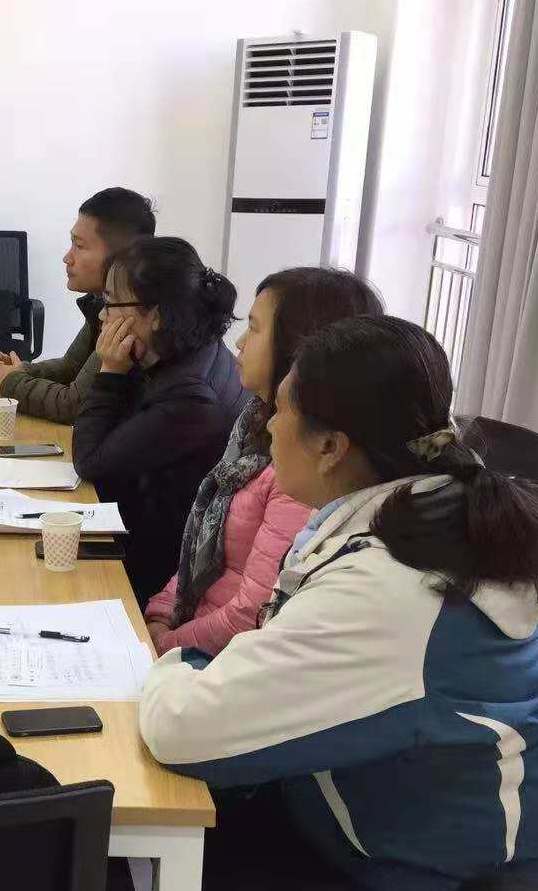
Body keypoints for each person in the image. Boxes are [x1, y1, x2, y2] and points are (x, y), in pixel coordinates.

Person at [139, 315, 538, 891]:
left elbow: (181, 729)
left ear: (332, 445)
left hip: (450, 890)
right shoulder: (412, 515)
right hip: (380, 813)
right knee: (167, 865)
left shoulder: (394, 589)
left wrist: (163, 666)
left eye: (280, 411)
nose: (267, 427)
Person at [143, 268, 383, 655]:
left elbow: (250, 615)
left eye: (254, 329)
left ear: (297, 347)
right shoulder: (254, 424)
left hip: (217, 656)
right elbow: (201, 551)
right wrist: (158, 614)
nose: (239, 343)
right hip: (193, 634)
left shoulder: (303, 471)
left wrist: (164, 643)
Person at [69, 236, 248, 606]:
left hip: (156, 575)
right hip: (136, 528)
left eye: (111, 302)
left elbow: (90, 461)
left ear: (156, 315)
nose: (102, 315)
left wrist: (110, 371)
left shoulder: (192, 397)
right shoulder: (180, 354)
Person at [0, 187, 155, 422]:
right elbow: (71, 367)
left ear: (120, 258)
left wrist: (8, 381)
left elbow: (73, 404)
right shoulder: (103, 303)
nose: (67, 258)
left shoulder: (131, 317)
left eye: (79, 246)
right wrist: (21, 371)